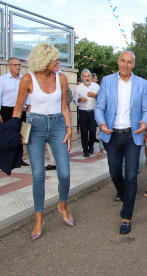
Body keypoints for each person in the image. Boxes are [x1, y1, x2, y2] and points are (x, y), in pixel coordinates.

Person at [12, 42, 73, 240]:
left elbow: (64, 107)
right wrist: (15, 130)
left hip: (57, 125)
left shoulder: (62, 78)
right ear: (43, 61)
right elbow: (18, 108)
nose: (58, 62)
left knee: (64, 173)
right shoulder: (28, 79)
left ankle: (62, 206)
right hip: (35, 125)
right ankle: (39, 219)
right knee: (38, 175)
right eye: (54, 59)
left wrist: (69, 128)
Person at [95, 51, 147, 234]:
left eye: (129, 62)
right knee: (114, 171)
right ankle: (123, 194)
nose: (126, 65)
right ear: (118, 62)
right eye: (123, 61)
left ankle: (126, 216)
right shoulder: (107, 81)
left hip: (132, 135)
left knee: (132, 176)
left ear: (133, 64)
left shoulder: (141, 84)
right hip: (111, 134)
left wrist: (145, 121)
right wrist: (101, 122)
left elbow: (146, 110)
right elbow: (99, 107)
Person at [0, 57, 31, 167]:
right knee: (7, 135)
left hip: (20, 110)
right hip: (6, 109)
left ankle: (19, 159)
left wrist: (26, 106)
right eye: (15, 65)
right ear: (9, 66)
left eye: (19, 65)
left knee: (19, 135)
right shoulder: (3, 79)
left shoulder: (24, 79)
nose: (18, 67)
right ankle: (7, 159)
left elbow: (28, 94)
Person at [73, 69, 100, 157]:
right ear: (82, 77)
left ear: (91, 77)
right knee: (84, 132)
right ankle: (85, 149)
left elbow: (101, 99)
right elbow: (75, 99)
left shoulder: (96, 86)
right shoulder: (78, 87)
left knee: (92, 131)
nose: (87, 78)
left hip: (93, 112)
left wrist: (94, 95)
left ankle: (91, 144)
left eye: (88, 76)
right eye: (85, 76)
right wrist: (80, 99)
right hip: (83, 112)